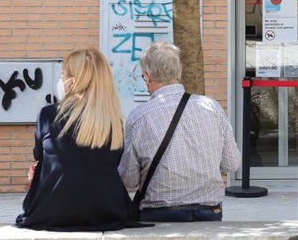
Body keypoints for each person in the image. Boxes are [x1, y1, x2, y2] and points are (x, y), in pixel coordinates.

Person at [16, 48, 139, 231]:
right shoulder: (115, 122)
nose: (61, 80)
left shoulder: (48, 115)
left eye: (63, 75)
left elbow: (39, 156)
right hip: (107, 210)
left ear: (72, 82)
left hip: (51, 211)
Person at [119, 41, 241, 222]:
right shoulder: (211, 107)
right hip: (209, 212)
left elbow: (129, 181)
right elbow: (232, 163)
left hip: (159, 214)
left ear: (147, 76)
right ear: (180, 70)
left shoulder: (139, 117)